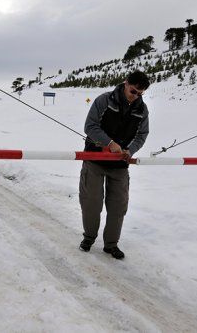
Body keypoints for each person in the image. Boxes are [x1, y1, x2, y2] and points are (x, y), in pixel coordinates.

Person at [78, 70, 150, 259]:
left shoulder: (142, 110)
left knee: (118, 205)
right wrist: (109, 143)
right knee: (91, 202)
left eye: (140, 94)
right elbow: (90, 126)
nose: (136, 96)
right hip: (94, 159)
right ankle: (89, 237)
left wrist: (130, 150)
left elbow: (142, 134)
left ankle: (111, 244)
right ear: (126, 83)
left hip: (120, 164)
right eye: (133, 91)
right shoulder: (104, 100)